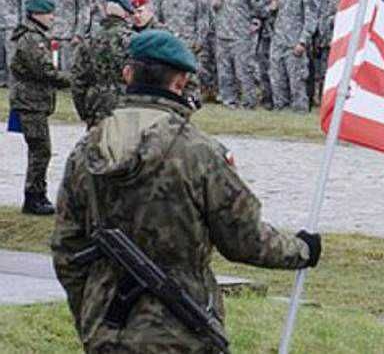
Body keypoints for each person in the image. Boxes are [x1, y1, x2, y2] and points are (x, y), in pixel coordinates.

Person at [50, 29, 321, 351]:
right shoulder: (198, 152)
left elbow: (67, 248)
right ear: (179, 83)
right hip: (180, 330)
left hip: (107, 325)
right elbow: (243, 239)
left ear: (127, 74)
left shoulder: (88, 148)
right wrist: (301, 249)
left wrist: (90, 311)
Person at [10, 0, 73, 215]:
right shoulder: (31, 39)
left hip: (32, 101)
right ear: (36, 15)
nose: (52, 17)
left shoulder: (33, 36)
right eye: (49, 13)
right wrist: (73, 80)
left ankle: (37, 195)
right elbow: (44, 71)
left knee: (39, 150)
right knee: (41, 151)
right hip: (31, 102)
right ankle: (33, 198)